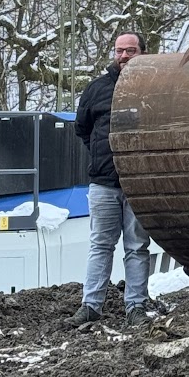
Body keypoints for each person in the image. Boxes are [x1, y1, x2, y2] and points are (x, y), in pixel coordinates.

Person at [67, 31, 151, 327]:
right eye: (119, 50)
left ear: (142, 52)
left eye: (131, 50)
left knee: (137, 247)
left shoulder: (152, 87)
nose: (124, 55)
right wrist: (102, 155)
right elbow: (82, 128)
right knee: (101, 245)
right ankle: (91, 306)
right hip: (103, 182)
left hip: (139, 183)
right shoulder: (97, 88)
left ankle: (136, 307)